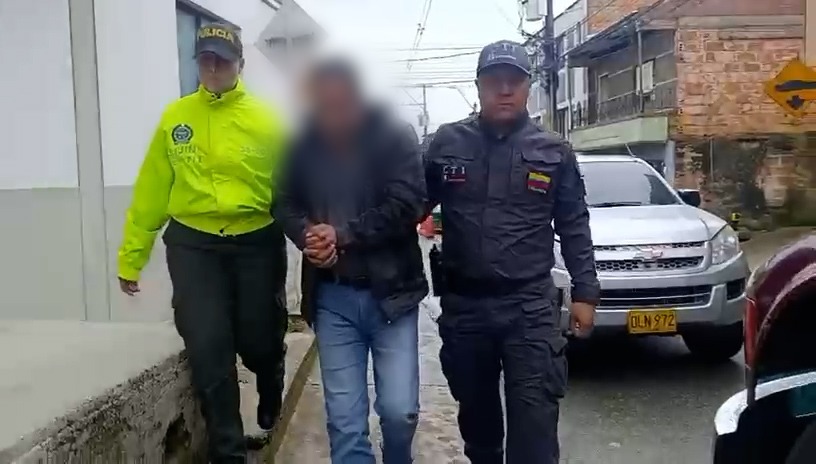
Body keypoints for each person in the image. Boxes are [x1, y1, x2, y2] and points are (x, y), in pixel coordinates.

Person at [117, 23, 289, 463]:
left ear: (240, 65)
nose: (213, 68)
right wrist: (132, 256)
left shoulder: (267, 121)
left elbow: (294, 189)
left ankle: (271, 374)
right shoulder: (176, 118)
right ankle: (228, 452)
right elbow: (152, 190)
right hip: (194, 245)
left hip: (256, 242)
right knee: (208, 346)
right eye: (205, 60)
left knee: (259, 339)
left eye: (223, 61)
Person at [424, 40, 601, 464]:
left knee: (535, 425)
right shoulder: (447, 143)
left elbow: (574, 224)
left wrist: (585, 293)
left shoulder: (553, 151)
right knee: (479, 425)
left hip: (529, 306)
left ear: (527, 87)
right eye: (494, 81)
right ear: (478, 86)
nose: (504, 90)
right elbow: (408, 205)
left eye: (514, 81)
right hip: (466, 307)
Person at [274, 58, 427, 464]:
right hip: (332, 298)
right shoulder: (301, 145)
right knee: (345, 422)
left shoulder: (394, 138)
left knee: (399, 411)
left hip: (392, 296)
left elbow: (408, 204)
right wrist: (308, 235)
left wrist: (342, 235)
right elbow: (283, 202)